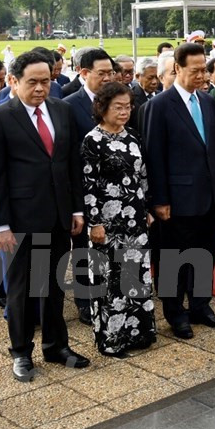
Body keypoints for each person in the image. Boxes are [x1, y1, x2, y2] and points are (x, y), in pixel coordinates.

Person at [0, 51, 90, 382]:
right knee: (22, 290)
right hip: (19, 220)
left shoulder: (62, 109)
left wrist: (76, 208)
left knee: (53, 285)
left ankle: (56, 346)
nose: (42, 88)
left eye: (47, 81)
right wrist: (0, 225)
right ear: (14, 81)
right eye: (34, 82)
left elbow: (71, 163)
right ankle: (21, 352)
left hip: (58, 214)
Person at [144, 43, 215, 339]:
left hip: (209, 197)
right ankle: (174, 312)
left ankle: (200, 306)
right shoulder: (160, 105)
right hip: (177, 199)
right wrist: (160, 199)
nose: (201, 76)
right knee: (173, 258)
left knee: (204, 254)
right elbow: (154, 156)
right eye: (194, 70)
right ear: (177, 68)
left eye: (204, 69)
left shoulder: (207, 101)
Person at [81, 82, 157, 357]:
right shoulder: (93, 140)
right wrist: (95, 223)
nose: (125, 112)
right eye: (118, 107)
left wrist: (146, 207)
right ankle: (112, 340)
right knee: (112, 282)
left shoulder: (132, 137)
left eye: (128, 106)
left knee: (135, 275)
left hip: (135, 219)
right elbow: (88, 184)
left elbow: (142, 176)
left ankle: (139, 333)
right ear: (103, 108)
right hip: (108, 223)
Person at [63, 48, 114, 325]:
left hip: (117, 190)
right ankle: (85, 299)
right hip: (84, 188)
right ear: (84, 73)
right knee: (84, 247)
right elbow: (69, 154)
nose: (108, 78)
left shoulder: (119, 99)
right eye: (101, 73)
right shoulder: (70, 105)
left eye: (111, 72)